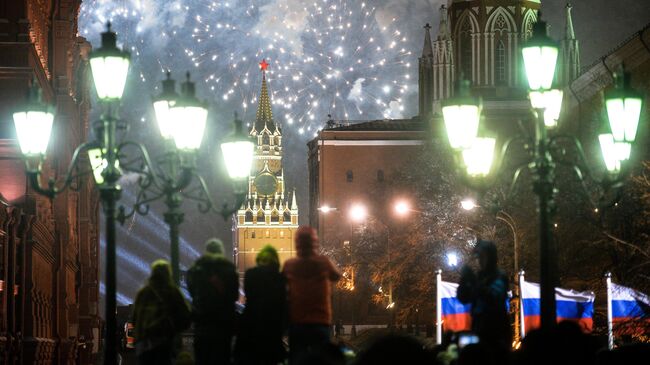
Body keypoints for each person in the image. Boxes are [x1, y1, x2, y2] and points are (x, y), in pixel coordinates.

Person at [282, 226, 341, 364]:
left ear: (297, 243)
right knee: (321, 360)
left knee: (297, 358)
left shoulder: (289, 265)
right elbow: (336, 276)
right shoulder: (323, 262)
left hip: (297, 322)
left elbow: (281, 283)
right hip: (320, 321)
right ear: (315, 242)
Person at [457, 240, 511, 363]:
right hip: (479, 329)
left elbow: (493, 297)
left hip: (496, 333)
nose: (479, 260)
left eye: (482, 256)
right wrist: (464, 281)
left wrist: (473, 281)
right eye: (478, 257)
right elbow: (464, 298)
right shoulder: (480, 277)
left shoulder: (500, 276)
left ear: (491, 257)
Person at [187, 238, 239, 365]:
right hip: (223, 324)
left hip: (202, 323)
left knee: (202, 359)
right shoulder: (229, 269)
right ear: (220, 251)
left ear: (207, 251)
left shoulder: (196, 268)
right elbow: (234, 295)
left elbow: (192, 291)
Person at [234, 245, 288, 365]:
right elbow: (284, 307)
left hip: (250, 332)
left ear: (259, 260)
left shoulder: (250, 275)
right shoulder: (280, 279)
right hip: (272, 335)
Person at [132, 260, 191, 365]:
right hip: (164, 343)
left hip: (143, 345)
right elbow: (185, 318)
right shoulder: (172, 292)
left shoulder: (143, 293)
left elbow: (134, 319)